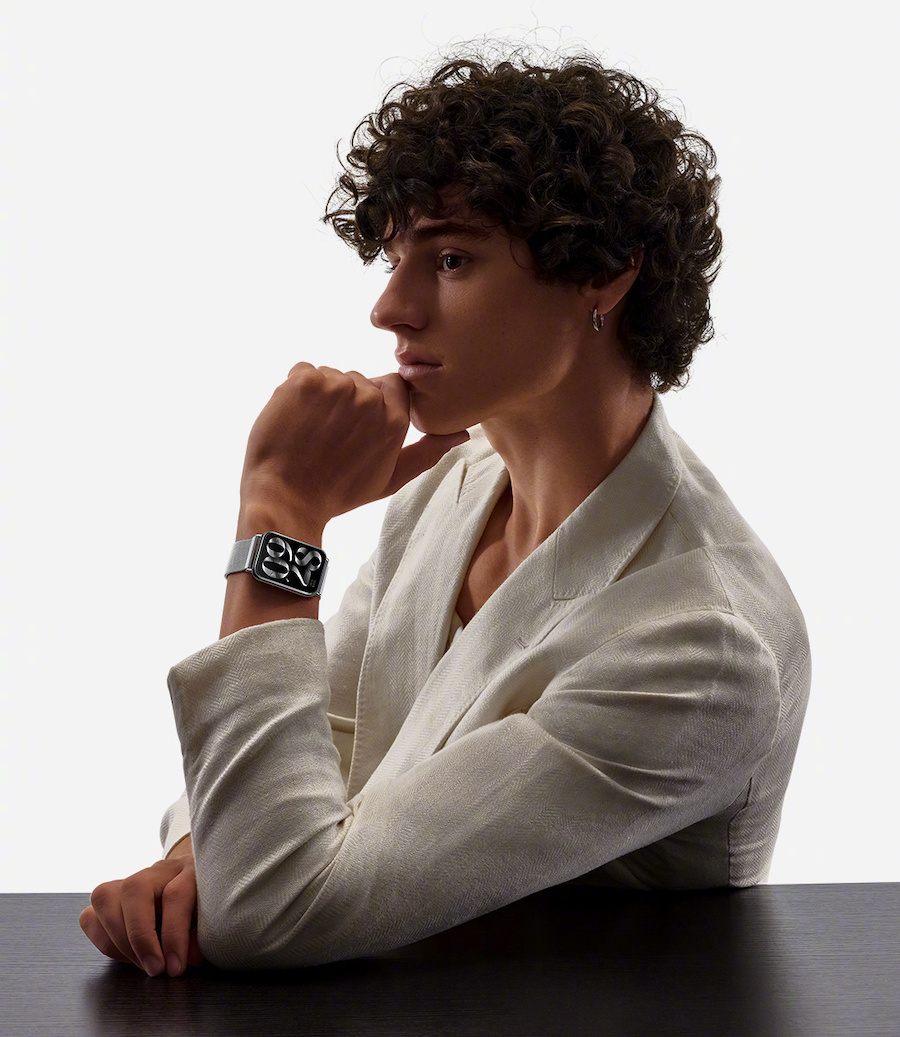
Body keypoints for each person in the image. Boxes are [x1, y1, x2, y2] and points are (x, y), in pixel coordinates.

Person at [80, 47, 810, 976]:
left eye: (452, 259)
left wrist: (280, 514)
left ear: (604, 275)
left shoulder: (706, 643)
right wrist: (194, 858)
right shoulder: (448, 488)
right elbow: (323, 741)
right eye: (395, 260)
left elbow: (274, 909)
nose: (390, 308)